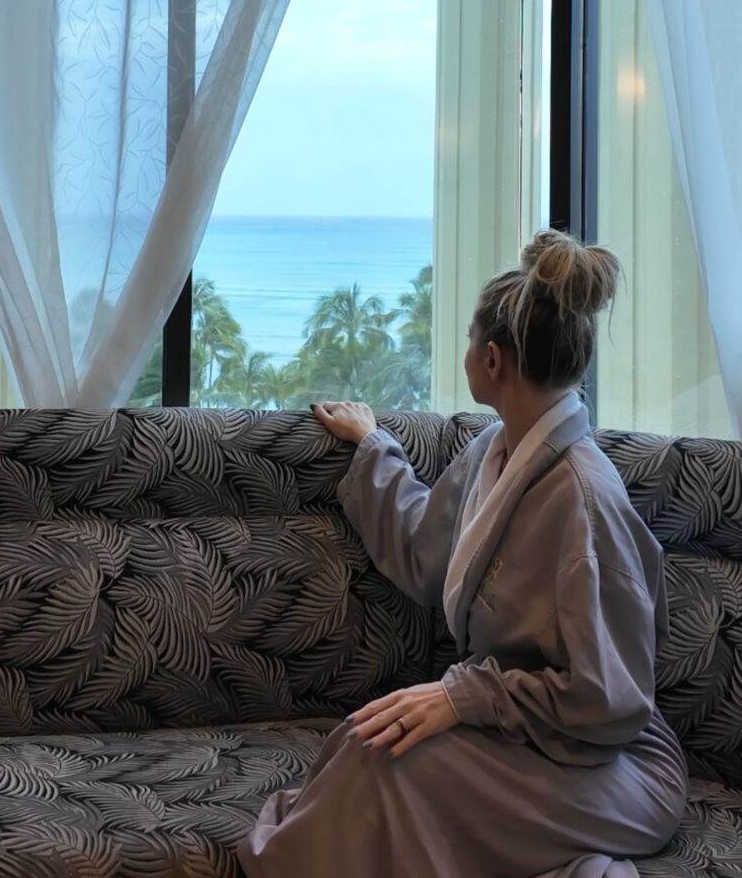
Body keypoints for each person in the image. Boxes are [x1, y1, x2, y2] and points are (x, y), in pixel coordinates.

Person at [237, 230, 688, 878]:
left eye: (473, 341)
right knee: (368, 739)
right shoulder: (496, 452)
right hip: (529, 739)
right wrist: (373, 447)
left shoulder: (583, 503)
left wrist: (465, 699)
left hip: (612, 764)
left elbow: (610, 702)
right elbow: (428, 553)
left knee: (390, 763)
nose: (467, 353)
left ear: (495, 361)